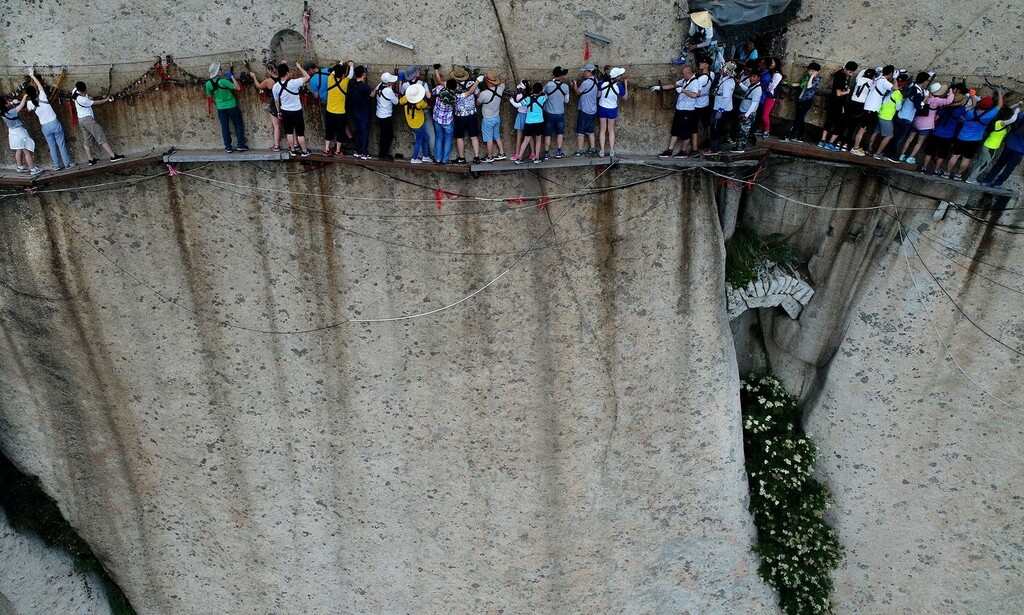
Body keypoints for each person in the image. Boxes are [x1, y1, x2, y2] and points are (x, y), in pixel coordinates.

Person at [945, 90, 1003, 180]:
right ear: (989, 107)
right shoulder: (988, 116)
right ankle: (958, 175)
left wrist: (972, 96)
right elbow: (1000, 105)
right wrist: (1000, 93)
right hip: (974, 140)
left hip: (961, 137)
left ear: (980, 104)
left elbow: (973, 105)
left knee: (954, 156)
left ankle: (946, 173)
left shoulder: (970, 113)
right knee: (966, 159)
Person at [25, 70, 74, 170]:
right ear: (36, 91)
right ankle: (67, 164)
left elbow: (28, 110)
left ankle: (56, 165)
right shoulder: (42, 96)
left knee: (52, 146)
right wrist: (32, 75)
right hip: (54, 123)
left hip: (45, 127)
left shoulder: (29, 104)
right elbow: (39, 86)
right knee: (61, 144)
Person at [918, 84, 968, 175]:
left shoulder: (944, 108)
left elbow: (936, 118)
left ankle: (924, 168)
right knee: (941, 155)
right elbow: (972, 106)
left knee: (929, 152)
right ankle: (936, 171)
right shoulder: (960, 110)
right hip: (948, 136)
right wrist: (972, 97)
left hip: (936, 133)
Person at [70, 82, 124, 164]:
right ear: (81, 91)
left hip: (81, 119)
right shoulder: (83, 100)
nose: (85, 92)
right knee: (100, 135)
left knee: (87, 139)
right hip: (88, 119)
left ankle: (90, 160)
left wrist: (92, 97)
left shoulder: (74, 91)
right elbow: (96, 103)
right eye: (84, 92)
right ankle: (113, 156)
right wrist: (106, 99)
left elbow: (88, 97)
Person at [653, 64, 700, 157]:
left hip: (688, 110)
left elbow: (695, 95)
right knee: (675, 130)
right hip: (680, 109)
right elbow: (674, 85)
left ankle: (684, 151)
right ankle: (670, 150)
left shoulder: (695, 82)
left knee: (685, 133)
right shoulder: (685, 80)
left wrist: (683, 90)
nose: (682, 76)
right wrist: (660, 88)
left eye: (683, 74)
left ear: (688, 73)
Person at [900, 81, 951, 165]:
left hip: (916, 121)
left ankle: (902, 155)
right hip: (926, 125)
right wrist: (951, 92)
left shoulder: (924, 95)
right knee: (919, 142)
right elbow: (949, 101)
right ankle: (910, 157)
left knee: (909, 139)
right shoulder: (936, 100)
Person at [967, 102, 1019, 183]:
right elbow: (1013, 119)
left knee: (979, 162)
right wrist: (1017, 111)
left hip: (987, 145)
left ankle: (970, 176)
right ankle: (971, 179)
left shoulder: (998, 121)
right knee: (984, 164)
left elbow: (1009, 109)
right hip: (991, 147)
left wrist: (1017, 104)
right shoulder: (1000, 123)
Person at [441, 66, 482, 163]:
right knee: (474, 136)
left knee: (459, 137)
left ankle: (461, 158)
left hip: (459, 115)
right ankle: (476, 157)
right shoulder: (472, 84)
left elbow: (440, 83)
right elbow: (478, 95)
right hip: (472, 114)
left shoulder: (453, 86)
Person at [850, 65, 893, 155]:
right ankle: (855, 148)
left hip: (868, 107)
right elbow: (895, 88)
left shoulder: (877, 79)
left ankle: (856, 146)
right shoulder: (883, 81)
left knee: (863, 129)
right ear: (890, 74)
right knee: (862, 129)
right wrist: (895, 78)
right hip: (871, 109)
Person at [272, 62, 312, 156]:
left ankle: (292, 150)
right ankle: (304, 151)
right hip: (296, 111)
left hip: (285, 111)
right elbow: (307, 77)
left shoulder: (275, 86)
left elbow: (276, 101)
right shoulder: (293, 83)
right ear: (287, 73)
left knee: (289, 132)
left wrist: (278, 112)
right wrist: (299, 67)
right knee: (300, 133)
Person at [206, 62, 248, 153]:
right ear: (217, 73)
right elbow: (237, 88)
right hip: (231, 105)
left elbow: (209, 95)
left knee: (225, 127)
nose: (221, 70)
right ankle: (240, 145)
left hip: (220, 107)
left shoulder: (208, 84)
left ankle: (228, 147)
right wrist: (232, 77)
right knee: (238, 124)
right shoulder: (224, 81)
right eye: (220, 69)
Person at [818, 61, 857, 151]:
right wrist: (847, 92)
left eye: (852, 72)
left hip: (834, 102)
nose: (851, 74)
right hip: (838, 103)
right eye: (849, 72)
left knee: (830, 121)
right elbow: (838, 93)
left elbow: (835, 73)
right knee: (838, 124)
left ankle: (823, 140)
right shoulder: (841, 78)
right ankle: (829, 142)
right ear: (845, 69)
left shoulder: (840, 74)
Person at [981, 116, 1024, 188]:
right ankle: (997, 183)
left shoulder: (1020, 116)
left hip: (1009, 144)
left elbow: (1013, 114)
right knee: (1009, 168)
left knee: (999, 163)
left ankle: (987, 180)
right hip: (1020, 150)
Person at [3, 95, 41, 174]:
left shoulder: (2, 112)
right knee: (26, 150)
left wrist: (11, 103)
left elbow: (9, 106)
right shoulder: (11, 112)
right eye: (6, 101)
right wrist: (25, 96)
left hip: (12, 132)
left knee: (19, 149)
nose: (8, 101)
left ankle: (20, 166)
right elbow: (21, 105)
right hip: (19, 131)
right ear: (4, 105)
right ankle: (33, 169)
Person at [402, 65, 434, 159]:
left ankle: (420, 155)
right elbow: (428, 97)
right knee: (430, 134)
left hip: (412, 115)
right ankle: (433, 154)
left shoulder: (405, 85)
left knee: (418, 136)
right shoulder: (423, 84)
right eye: (418, 71)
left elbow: (402, 96)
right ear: (415, 74)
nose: (419, 72)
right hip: (424, 111)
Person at [784, 62, 821, 141]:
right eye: (810, 71)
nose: (810, 72)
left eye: (813, 71)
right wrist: (787, 83)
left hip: (807, 101)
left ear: (817, 72)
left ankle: (790, 134)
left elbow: (809, 86)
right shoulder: (805, 77)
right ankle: (800, 136)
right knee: (799, 118)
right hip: (800, 99)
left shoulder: (817, 79)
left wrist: (812, 76)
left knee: (799, 118)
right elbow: (799, 84)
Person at [323, 61, 354, 156]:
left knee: (329, 130)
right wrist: (351, 66)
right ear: (344, 74)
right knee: (341, 131)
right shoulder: (345, 82)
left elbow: (333, 71)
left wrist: (340, 63)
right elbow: (351, 75)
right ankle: (337, 150)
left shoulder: (330, 79)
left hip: (329, 111)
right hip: (340, 112)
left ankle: (327, 148)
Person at [476, 71, 507, 162]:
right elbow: (502, 84)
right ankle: (502, 153)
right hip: (496, 117)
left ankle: (489, 157)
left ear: (488, 82)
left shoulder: (484, 94)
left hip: (488, 119)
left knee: (489, 139)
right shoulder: (500, 89)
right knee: (497, 136)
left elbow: (478, 103)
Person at [513, 82, 547, 164]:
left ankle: (519, 157)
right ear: (540, 90)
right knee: (538, 140)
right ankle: (536, 158)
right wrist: (543, 91)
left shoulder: (528, 99)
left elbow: (517, 105)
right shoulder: (543, 98)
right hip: (539, 121)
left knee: (526, 140)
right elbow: (546, 93)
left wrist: (511, 99)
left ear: (532, 90)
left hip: (529, 122)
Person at [597, 67, 627, 158]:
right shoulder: (619, 86)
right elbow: (625, 98)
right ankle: (611, 151)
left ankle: (602, 151)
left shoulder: (602, 83)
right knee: (611, 130)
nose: (621, 77)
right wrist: (625, 84)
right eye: (620, 75)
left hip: (602, 107)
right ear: (617, 77)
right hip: (612, 109)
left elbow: (598, 95)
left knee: (602, 129)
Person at [253, 64, 284, 152]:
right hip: (284, 103)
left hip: (274, 104)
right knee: (290, 125)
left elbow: (259, 86)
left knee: (276, 126)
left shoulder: (268, 81)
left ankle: (276, 145)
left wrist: (254, 77)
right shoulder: (282, 78)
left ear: (270, 70)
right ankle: (294, 145)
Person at [708, 62, 737, 153]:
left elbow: (726, 98)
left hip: (721, 107)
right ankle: (717, 148)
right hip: (720, 106)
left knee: (715, 128)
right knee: (719, 128)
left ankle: (714, 149)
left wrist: (720, 110)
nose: (720, 70)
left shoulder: (727, 82)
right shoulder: (725, 78)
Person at [843, 67, 875, 150]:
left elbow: (860, 73)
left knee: (845, 123)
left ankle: (839, 142)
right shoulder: (871, 82)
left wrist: (864, 70)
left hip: (852, 102)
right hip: (860, 105)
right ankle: (846, 144)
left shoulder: (859, 79)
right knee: (853, 127)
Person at [542, 66, 571, 159]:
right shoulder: (565, 87)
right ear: (561, 76)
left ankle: (546, 152)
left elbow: (543, 94)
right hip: (560, 113)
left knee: (547, 134)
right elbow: (567, 101)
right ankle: (558, 151)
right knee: (560, 133)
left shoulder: (548, 85)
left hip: (549, 113)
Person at [571, 63, 599, 156]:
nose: (584, 73)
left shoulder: (586, 83)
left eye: (585, 71)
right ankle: (593, 149)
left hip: (585, 110)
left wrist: (574, 83)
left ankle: (580, 151)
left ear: (590, 72)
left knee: (581, 132)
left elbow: (578, 92)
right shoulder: (596, 81)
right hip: (593, 110)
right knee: (591, 131)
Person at [399, 83, 431, 163]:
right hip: (419, 124)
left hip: (411, 123)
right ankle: (415, 158)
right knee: (419, 140)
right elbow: (426, 106)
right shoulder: (420, 102)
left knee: (426, 137)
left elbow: (400, 101)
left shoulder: (405, 98)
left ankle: (426, 156)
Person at [731, 71, 763, 152]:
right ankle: (738, 146)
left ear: (758, 78)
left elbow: (754, 103)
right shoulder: (753, 86)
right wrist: (740, 83)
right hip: (744, 111)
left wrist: (747, 115)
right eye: (751, 77)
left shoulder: (758, 89)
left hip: (747, 113)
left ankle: (740, 148)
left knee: (743, 131)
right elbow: (747, 91)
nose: (752, 79)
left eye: (754, 77)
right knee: (741, 130)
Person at [430, 78, 459, 164]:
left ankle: (438, 158)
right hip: (448, 120)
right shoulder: (456, 96)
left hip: (437, 118)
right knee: (448, 139)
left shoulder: (439, 89)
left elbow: (432, 92)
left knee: (439, 138)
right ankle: (445, 159)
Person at [348, 65, 373, 159]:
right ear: (363, 74)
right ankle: (364, 152)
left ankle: (356, 150)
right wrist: (376, 89)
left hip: (355, 111)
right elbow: (372, 95)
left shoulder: (352, 83)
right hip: (363, 112)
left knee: (358, 131)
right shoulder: (364, 86)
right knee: (364, 132)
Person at [374, 72, 400, 160]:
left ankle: (382, 153)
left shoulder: (380, 85)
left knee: (383, 135)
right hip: (386, 116)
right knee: (388, 136)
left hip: (379, 113)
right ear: (388, 82)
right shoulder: (388, 90)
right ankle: (383, 154)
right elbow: (396, 101)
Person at [758, 58, 783, 137]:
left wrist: (766, 88)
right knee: (763, 112)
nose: (771, 64)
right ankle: (761, 128)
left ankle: (767, 130)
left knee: (765, 114)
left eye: (773, 63)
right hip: (767, 95)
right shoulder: (771, 72)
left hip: (770, 96)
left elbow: (772, 86)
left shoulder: (777, 75)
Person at [510, 81, 529, 162]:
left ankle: (517, 154)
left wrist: (511, 99)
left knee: (519, 137)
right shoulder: (530, 96)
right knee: (529, 137)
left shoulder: (518, 96)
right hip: (528, 116)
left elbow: (516, 103)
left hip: (521, 115)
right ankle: (533, 153)